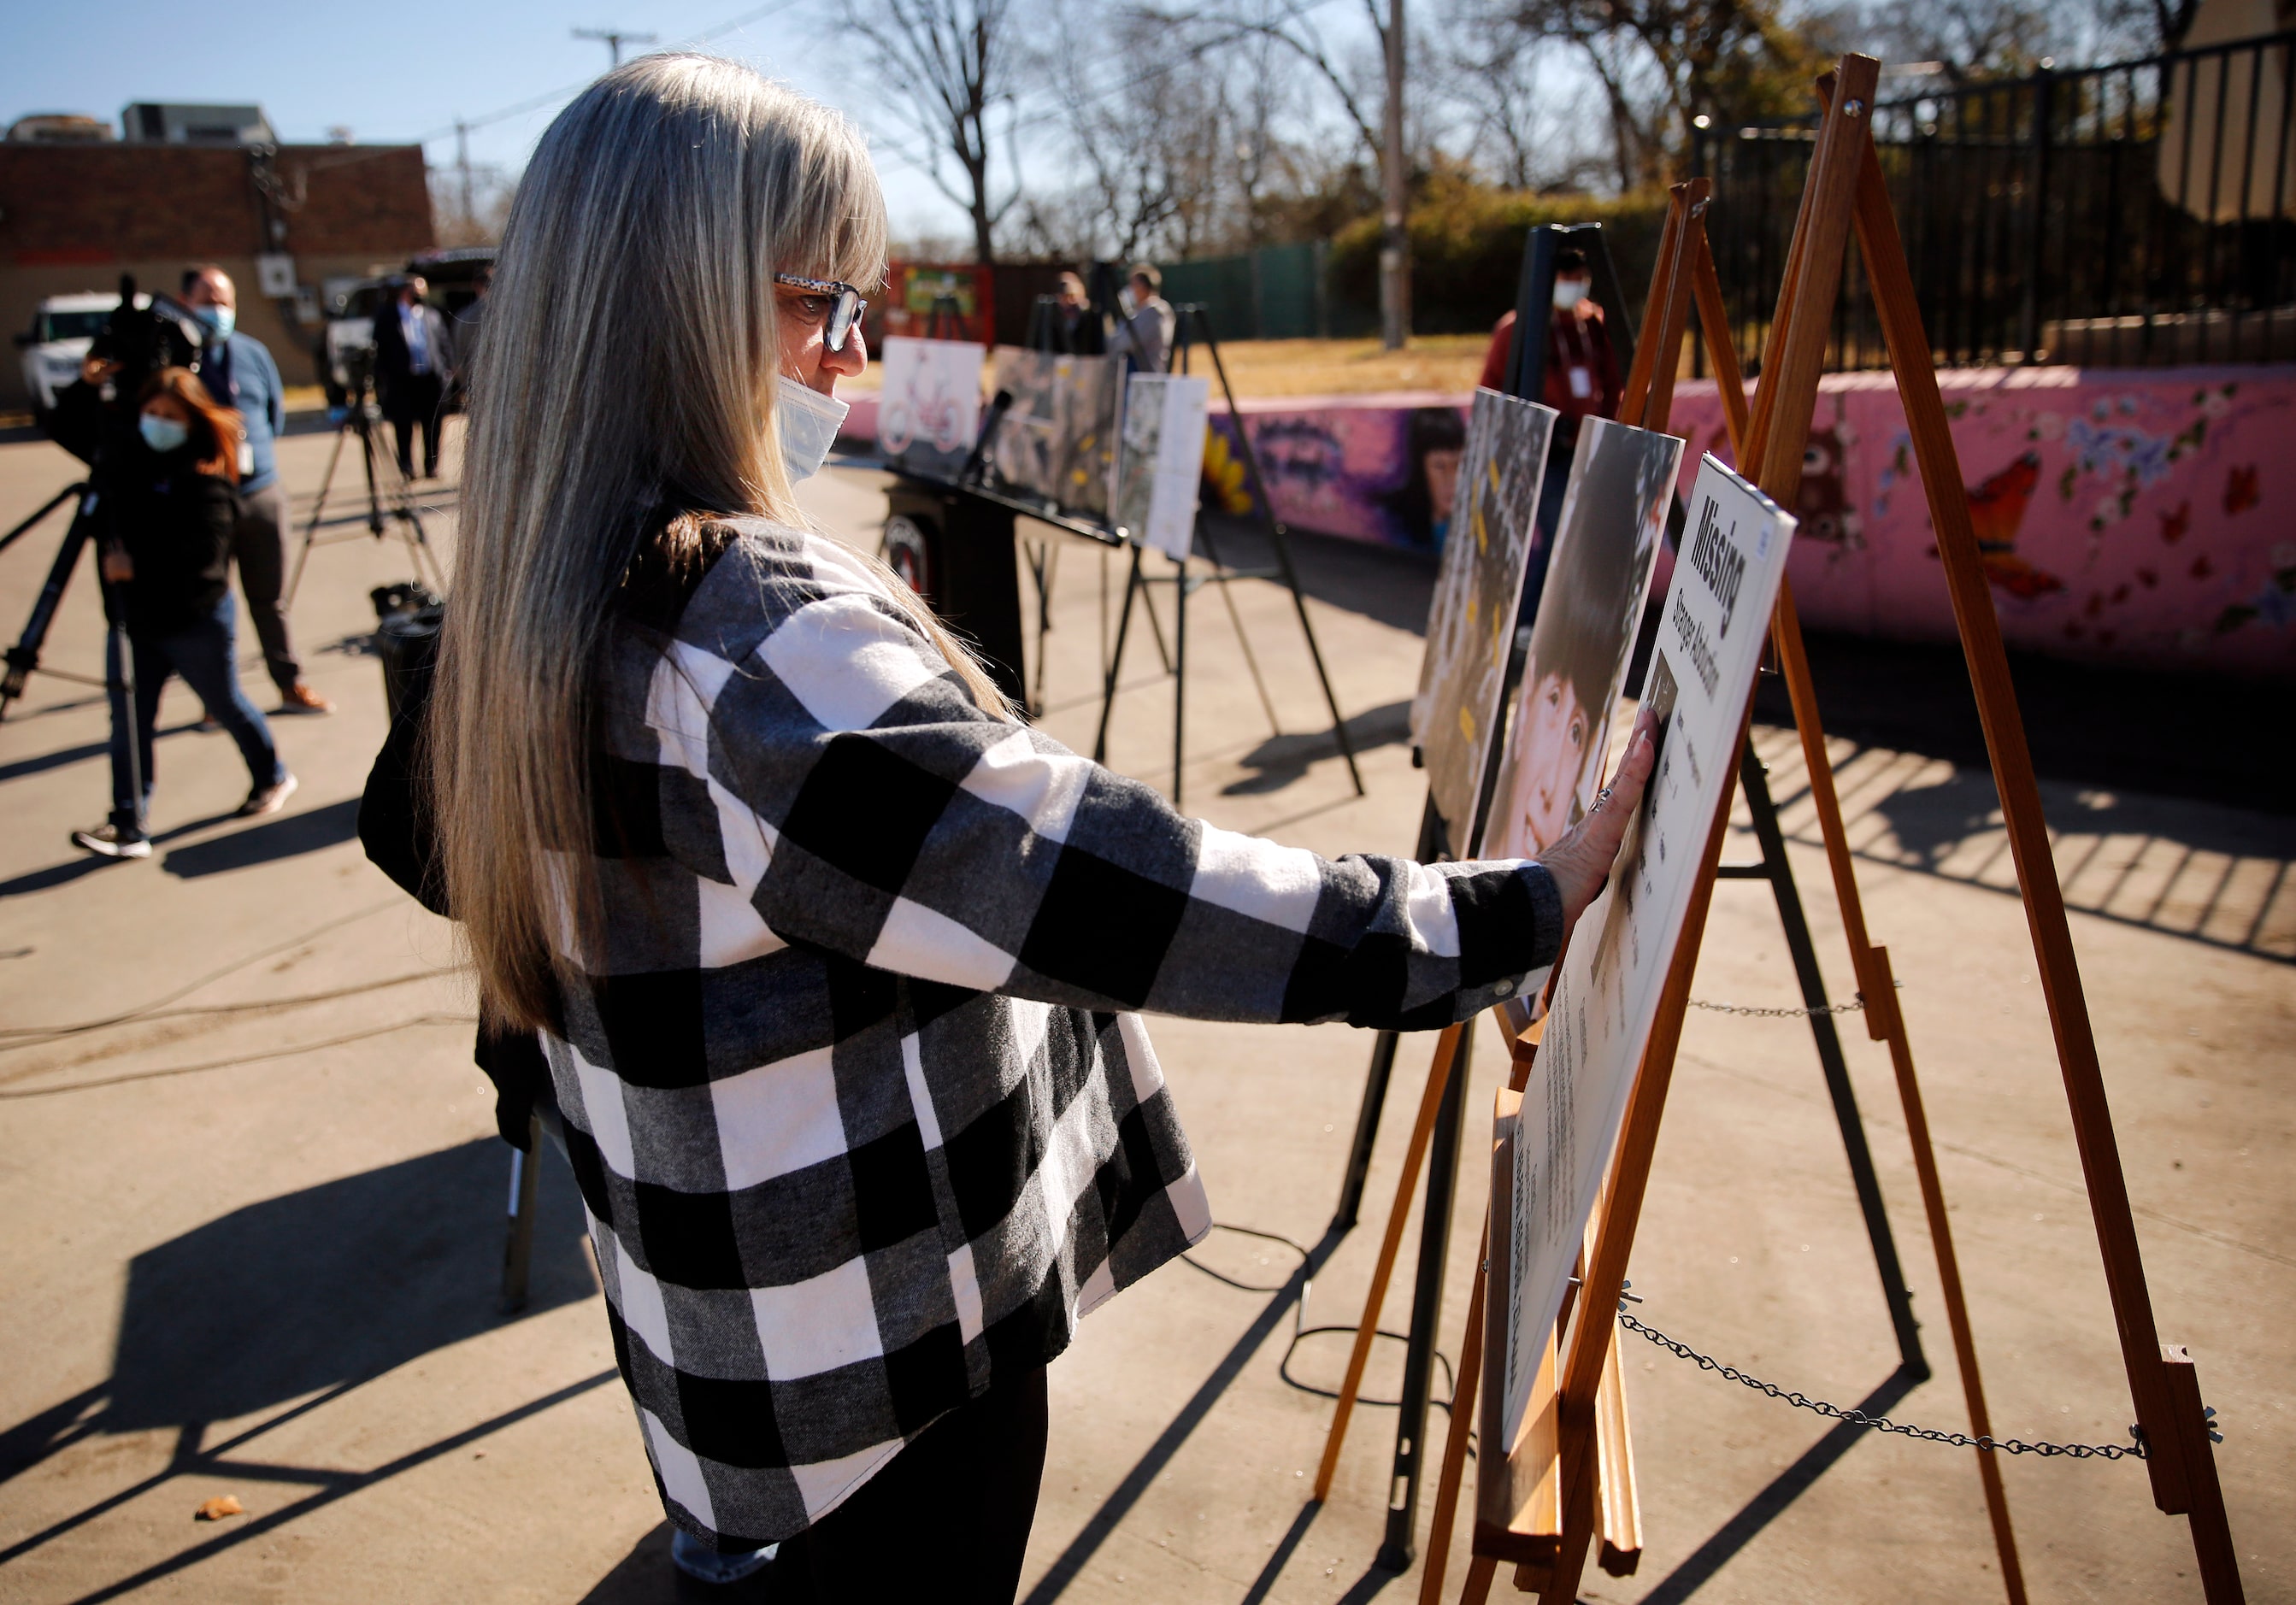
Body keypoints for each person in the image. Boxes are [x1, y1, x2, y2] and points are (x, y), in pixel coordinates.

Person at [420, 56, 1653, 1602]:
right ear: (686, 298)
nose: (855, 365)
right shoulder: (749, 645)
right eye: (827, 306)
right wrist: (1508, 909)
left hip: (728, 1372)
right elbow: (1113, 884)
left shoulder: (544, 595)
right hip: (879, 1399)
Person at [70, 368, 296, 858]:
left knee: (226, 703)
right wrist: (88, 385)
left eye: (170, 417)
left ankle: (273, 774)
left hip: (196, 619)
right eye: (151, 413)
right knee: (129, 720)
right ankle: (129, 824)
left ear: (192, 422)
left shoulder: (208, 476)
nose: (157, 424)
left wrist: (138, 563)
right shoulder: (124, 459)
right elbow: (66, 426)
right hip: (134, 619)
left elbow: (206, 555)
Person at [180, 265, 333, 714]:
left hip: (262, 492)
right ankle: (217, 698)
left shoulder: (253, 352)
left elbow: (274, 414)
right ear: (186, 301)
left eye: (225, 301)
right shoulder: (177, 360)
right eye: (207, 300)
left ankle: (289, 683)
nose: (218, 310)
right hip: (205, 500)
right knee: (211, 603)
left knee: (269, 598)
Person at [1476, 247, 1623, 557]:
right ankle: (1532, 608)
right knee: (1559, 539)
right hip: (1547, 452)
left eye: (1581, 278)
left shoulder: (1594, 323)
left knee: (1584, 539)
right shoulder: (1518, 329)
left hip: (1590, 446)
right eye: (1567, 277)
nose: (1575, 284)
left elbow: (1613, 381)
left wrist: (1609, 425)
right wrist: (1530, 429)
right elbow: (1492, 391)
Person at [372, 274, 450, 479]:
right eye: (416, 291)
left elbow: (443, 344)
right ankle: (407, 467)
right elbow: (380, 351)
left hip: (430, 379)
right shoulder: (388, 317)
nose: (420, 295)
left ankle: (431, 466)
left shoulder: (432, 315)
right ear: (405, 292)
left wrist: (446, 371)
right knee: (403, 426)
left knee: (432, 425)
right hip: (403, 381)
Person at [1106, 262, 1174, 374]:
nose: (1130, 289)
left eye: (1133, 284)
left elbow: (1125, 342)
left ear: (1143, 286)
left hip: (1148, 374)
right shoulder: (1138, 311)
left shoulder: (1155, 311)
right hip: (1136, 372)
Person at [1048, 270, 1104, 355]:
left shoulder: (1094, 317)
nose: (1070, 302)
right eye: (1064, 298)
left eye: (1072, 296)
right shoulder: (1053, 319)